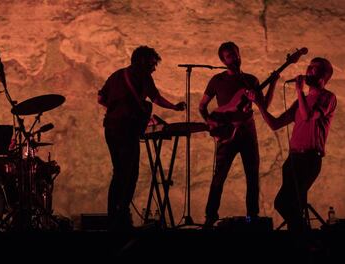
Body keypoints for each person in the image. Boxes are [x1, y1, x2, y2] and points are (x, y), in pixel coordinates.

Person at [98, 45, 186, 231]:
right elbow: (156, 99)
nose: (154, 68)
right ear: (142, 61)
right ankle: (122, 216)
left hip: (111, 128)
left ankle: (114, 216)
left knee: (119, 173)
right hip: (126, 131)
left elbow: (101, 98)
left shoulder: (117, 75)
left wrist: (116, 110)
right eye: (153, 64)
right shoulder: (143, 76)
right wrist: (174, 107)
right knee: (131, 174)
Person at [247, 57, 336, 232]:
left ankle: (305, 238)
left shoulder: (328, 97)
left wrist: (298, 91)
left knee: (284, 202)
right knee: (294, 204)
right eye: (309, 66)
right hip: (293, 158)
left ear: (324, 75)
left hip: (310, 159)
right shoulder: (300, 101)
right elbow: (275, 124)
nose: (308, 70)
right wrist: (259, 104)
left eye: (314, 68)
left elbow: (308, 116)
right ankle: (300, 243)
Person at [199, 41, 278, 227]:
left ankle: (252, 217)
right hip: (226, 133)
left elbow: (263, 105)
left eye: (235, 54)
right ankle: (210, 217)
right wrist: (210, 121)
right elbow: (202, 106)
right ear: (223, 60)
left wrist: (273, 83)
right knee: (219, 176)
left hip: (248, 132)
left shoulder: (251, 80)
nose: (234, 58)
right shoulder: (217, 80)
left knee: (252, 176)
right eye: (229, 56)